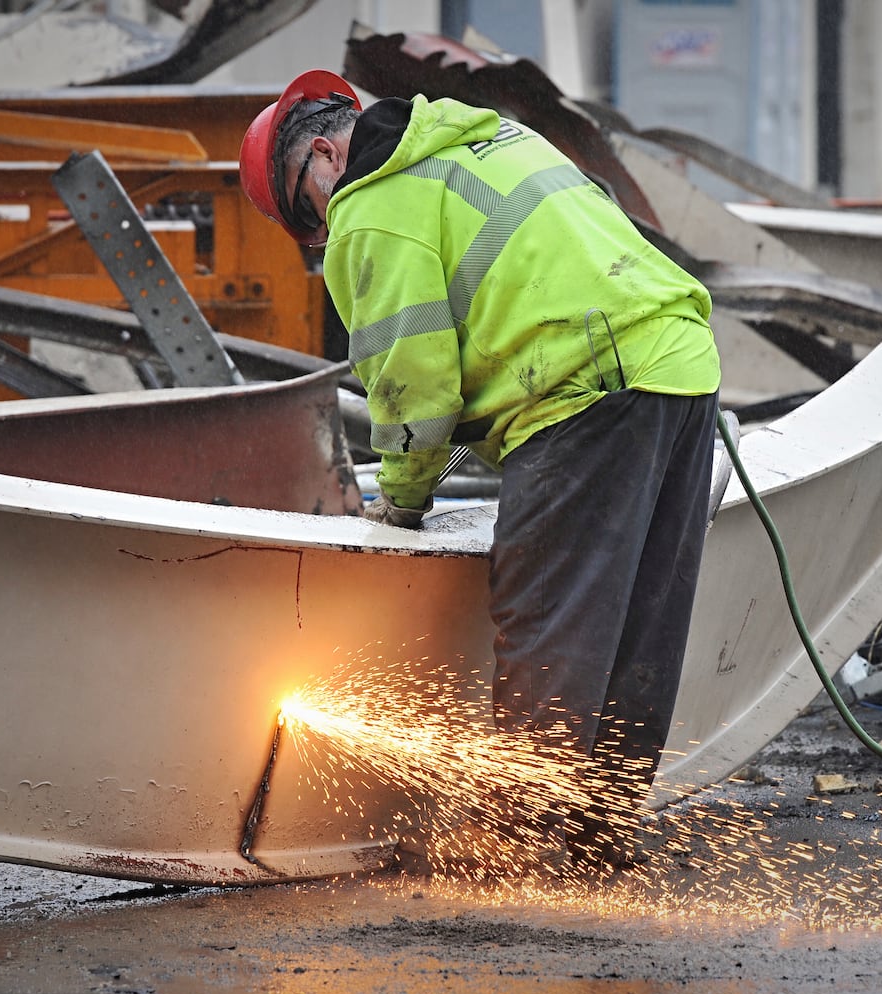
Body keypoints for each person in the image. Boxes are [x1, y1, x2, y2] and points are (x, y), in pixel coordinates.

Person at [240, 70, 722, 869]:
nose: (321, 232)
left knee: (550, 630)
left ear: (325, 153)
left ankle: (522, 856)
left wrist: (397, 503)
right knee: (639, 635)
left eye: (305, 212)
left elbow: (412, 383)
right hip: (678, 364)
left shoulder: (370, 206)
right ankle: (600, 844)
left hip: (580, 390)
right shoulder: (484, 136)